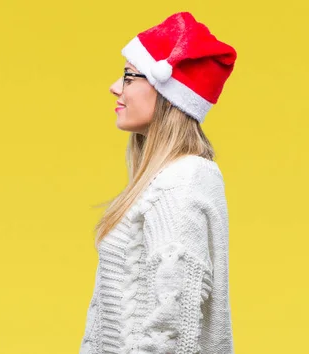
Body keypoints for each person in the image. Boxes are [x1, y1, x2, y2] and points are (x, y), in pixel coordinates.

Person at [79, 12, 237, 354]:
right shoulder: (164, 180)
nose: (115, 87)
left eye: (129, 77)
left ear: (169, 94)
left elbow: (171, 328)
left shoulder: (184, 182)